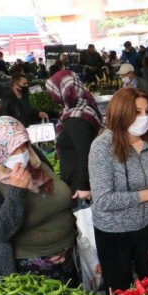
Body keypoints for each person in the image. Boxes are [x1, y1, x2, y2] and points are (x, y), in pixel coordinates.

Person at [88, 88, 148, 291]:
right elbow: (103, 200)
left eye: (147, 112)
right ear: (120, 113)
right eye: (137, 112)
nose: (143, 118)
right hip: (114, 232)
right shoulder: (102, 147)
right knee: (119, 290)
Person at [0, 117, 78, 281]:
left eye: (24, 145)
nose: (22, 153)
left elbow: (53, 191)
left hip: (69, 255)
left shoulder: (33, 156)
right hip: (29, 269)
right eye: (13, 149)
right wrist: (17, 191)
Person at [46, 70, 101, 202]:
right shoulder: (79, 110)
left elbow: (86, 153)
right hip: (78, 182)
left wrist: (83, 186)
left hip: (80, 189)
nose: (53, 96)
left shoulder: (77, 118)